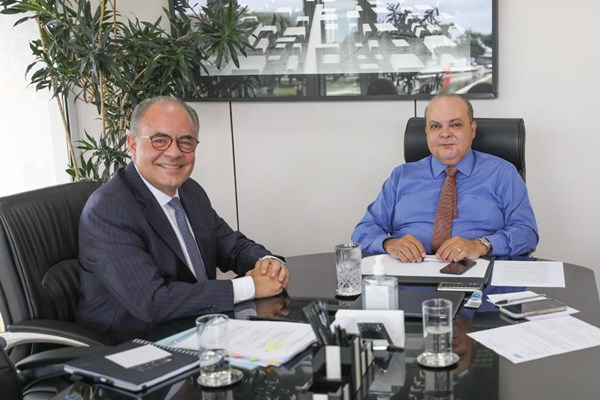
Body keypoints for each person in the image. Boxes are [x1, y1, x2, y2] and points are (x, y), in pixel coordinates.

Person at [77, 96, 289, 340]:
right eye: (159, 140)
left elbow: (232, 247)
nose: (174, 152)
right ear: (133, 145)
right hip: (134, 347)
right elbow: (153, 302)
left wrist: (269, 263)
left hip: (197, 332)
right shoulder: (108, 211)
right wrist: (250, 287)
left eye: (185, 142)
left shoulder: (190, 191)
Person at [352, 93, 538, 262]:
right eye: (435, 126)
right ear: (426, 132)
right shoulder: (401, 176)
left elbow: (526, 232)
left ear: (472, 130)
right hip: (409, 274)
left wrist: (480, 245)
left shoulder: (503, 173)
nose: (445, 133)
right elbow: (363, 231)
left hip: (478, 271)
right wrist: (389, 243)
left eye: (455, 124)